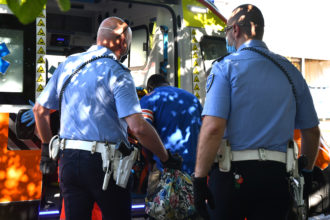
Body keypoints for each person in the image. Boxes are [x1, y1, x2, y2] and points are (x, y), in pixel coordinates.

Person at [33, 16, 181, 220]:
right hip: (105, 166)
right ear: (122, 41)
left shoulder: (68, 64)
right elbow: (137, 127)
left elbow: (39, 111)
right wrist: (166, 157)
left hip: (67, 161)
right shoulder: (117, 72)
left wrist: (45, 148)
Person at [193, 4, 320, 220]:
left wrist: (199, 179)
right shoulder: (290, 71)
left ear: (235, 30)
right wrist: (306, 174)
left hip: (230, 177)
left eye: (226, 32)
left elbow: (213, 127)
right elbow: (312, 132)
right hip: (278, 179)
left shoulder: (225, 67)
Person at [140, 74, 203, 175]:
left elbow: (143, 131)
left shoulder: (148, 99)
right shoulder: (193, 99)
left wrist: (150, 161)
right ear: (168, 84)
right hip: (195, 169)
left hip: (165, 168)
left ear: (149, 88)